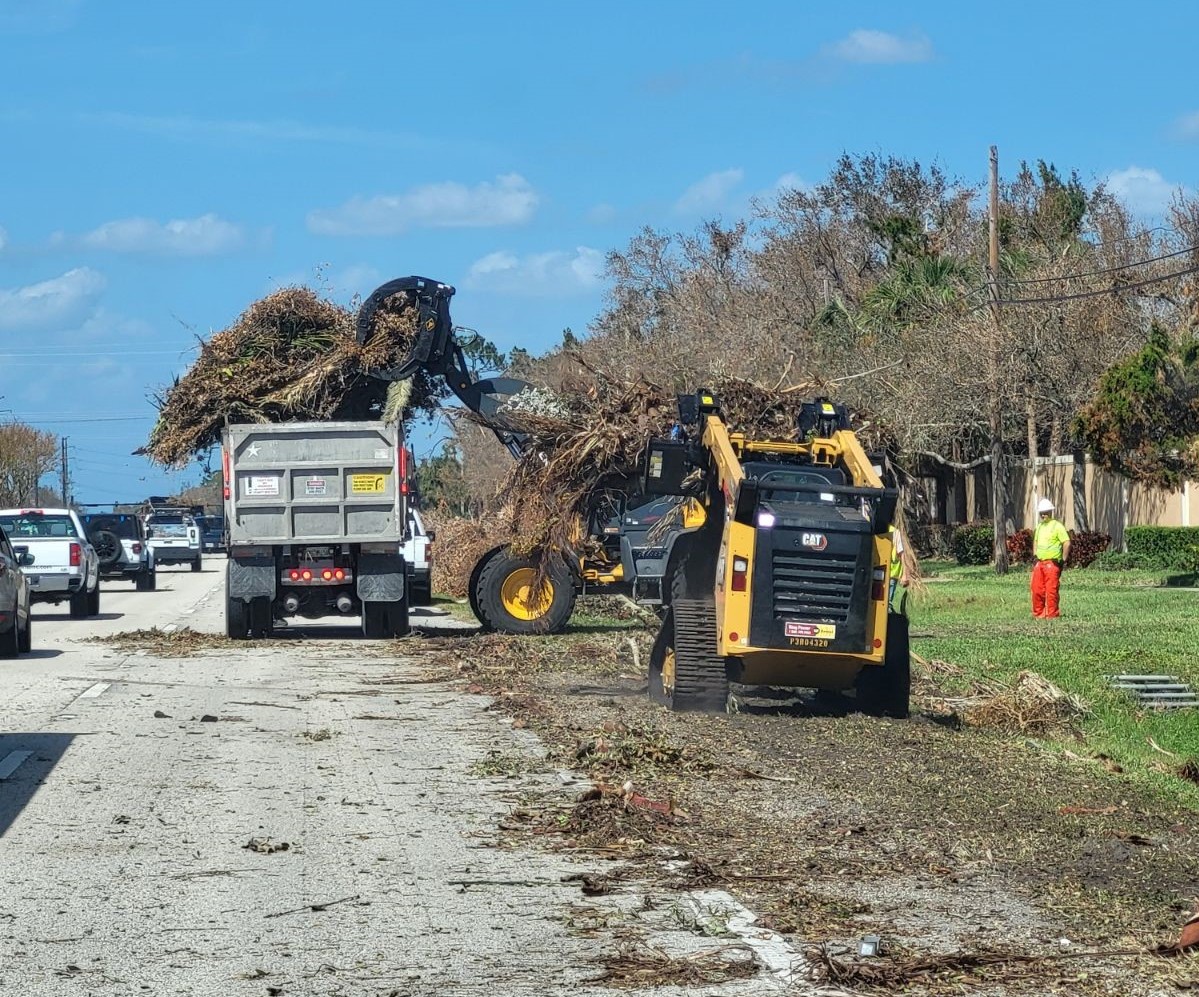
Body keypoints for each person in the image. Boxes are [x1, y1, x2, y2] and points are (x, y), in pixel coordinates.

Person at [1031, 498, 1071, 619]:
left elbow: (1067, 543)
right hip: (1040, 562)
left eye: (1046, 512)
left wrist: (1063, 560)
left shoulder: (1057, 526)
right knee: (1036, 589)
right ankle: (1039, 614)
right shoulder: (1039, 527)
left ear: (1051, 512)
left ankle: (1052, 615)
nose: (1044, 515)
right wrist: (1035, 556)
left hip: (1052, 563)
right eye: (1041, 513)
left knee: (1051, 591)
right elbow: (1036, 541)